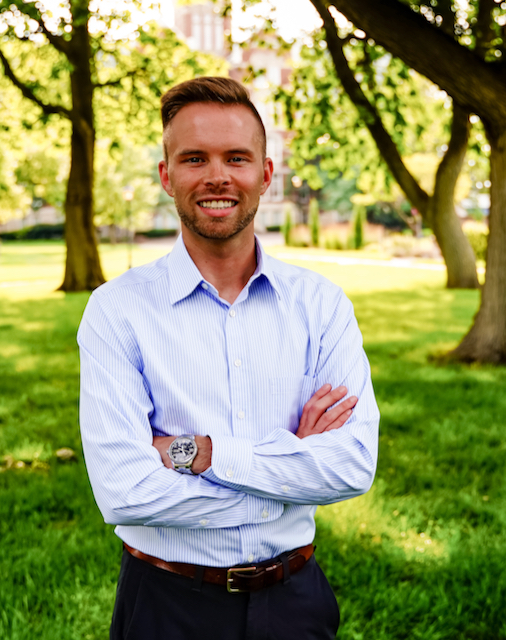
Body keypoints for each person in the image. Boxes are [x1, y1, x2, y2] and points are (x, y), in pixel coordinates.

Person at [78, 76, 379, 640]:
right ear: (167, 176)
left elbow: (352, 464)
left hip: (296, 603)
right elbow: (125, 491)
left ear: (265, 174)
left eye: (236, 157)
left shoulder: (321, 305)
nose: (217, 176)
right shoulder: (115, 311)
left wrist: (199, 453)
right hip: (165, 606)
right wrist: (288, 477)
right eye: (194, 158)